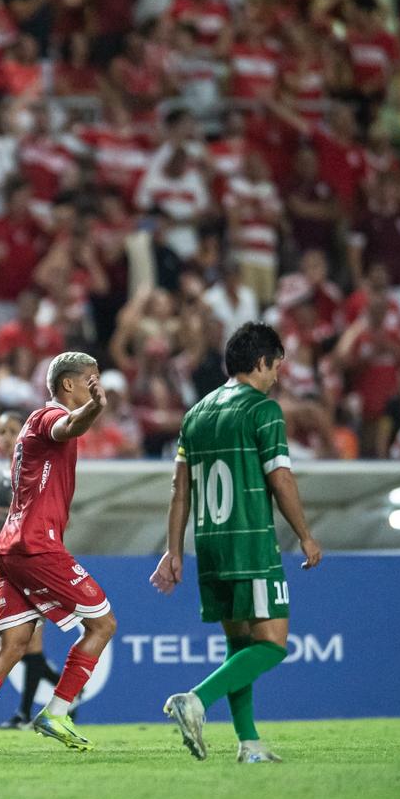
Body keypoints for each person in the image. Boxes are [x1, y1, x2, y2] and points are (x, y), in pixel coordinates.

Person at [152, 322, 323, 763]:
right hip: (250, 542)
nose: (277, 376)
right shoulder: (261, 410)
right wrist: (305, 535)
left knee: (240, 646)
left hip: (209, 546)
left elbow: (179, 489)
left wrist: (174, 550)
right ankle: (196, 699)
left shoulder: (195, 414)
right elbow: (281, 477)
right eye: (276, 366)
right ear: (260, 362)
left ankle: (249, 744)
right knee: (272, 644)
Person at [0, 352, 113, 752]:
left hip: (11, 546)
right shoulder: (46, 417)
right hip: (37, 545)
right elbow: (71, 424)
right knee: (103, 625)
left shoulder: (37, 425)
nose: (96, 384)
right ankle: (57, 711)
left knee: (14, 643)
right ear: (68, 385)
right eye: (91, 378)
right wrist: (96, 406)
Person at [0, 410, 59, 730]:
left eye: (13, 430)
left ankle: (27, 713)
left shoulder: (32, 471)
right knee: (22, 644)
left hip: (28, 562)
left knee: (26, 644)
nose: (6, 438)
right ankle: (63, 692)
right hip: (6, 565)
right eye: (1, 432)